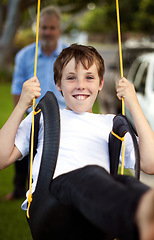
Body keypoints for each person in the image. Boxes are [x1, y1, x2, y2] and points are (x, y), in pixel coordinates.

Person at [0, 44, 154, 240]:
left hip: (96, 209)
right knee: (90, 174)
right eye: (71, 77)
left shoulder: (110, 125)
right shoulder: (44, 117)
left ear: (100, 83)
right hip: (51, 202)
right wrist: (22, 104)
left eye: (89, 77)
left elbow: (150, 163)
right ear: (58, 84)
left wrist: (133, 103)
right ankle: (140, 212)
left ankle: (144, 218)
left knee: (125, 182)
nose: (81, 85)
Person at [4, 5, 67, 200]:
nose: (47, 32)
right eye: (44, 28)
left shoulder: (69, 54)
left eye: (52, 28)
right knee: (21, 151)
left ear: (59, 30)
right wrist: (21, 116)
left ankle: (51, 192)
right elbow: (17, 88)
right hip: (34, 114)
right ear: (38, 28)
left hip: (63, 115)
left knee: (56, 156)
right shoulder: (24, 55)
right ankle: (18, 190)